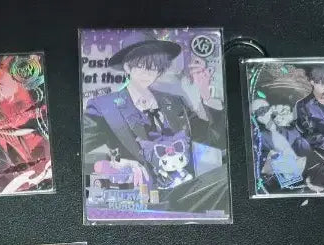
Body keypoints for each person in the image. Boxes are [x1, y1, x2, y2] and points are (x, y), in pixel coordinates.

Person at [83, 39, 228, 214]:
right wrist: (115, 163)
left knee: (230, 173)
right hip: (142, 198)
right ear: (127, 67)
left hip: (186, 190)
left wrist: (205, 94)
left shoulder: (174, 101)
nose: (147, 73)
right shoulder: (104, 106)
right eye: (141, 66)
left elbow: (214, 141)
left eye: (153, 68)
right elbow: (78, 151)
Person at [251, 98, 324, 192]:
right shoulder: (258, 138)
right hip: (285, 182)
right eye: (257, 113)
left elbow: (308, 150)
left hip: (307, 172)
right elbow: (262, 170)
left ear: (270, 110)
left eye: (264, 109)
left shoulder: (288, 130)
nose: (262, 115)